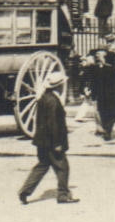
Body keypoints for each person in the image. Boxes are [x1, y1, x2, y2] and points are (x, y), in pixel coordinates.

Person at [18, 68, 78, 205]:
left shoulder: (43, 98)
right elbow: (53, 124)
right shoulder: (53, 101)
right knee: (63, 167)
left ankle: (25, 191)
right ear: (58, 85)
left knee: (42, 165)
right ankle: (63, 195)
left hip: (41, 141)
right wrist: (57, 143)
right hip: (52, 142)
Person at [86, 47, 115, 140]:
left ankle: (107, 129)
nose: (97, 56)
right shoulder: (96, 68)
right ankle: (107, 131)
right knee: (105, 114)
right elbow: (93, 82)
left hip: (111, 95)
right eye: (97, 55)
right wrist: (92, 94)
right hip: (103, 96)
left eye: (100, 54)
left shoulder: (111, 67)